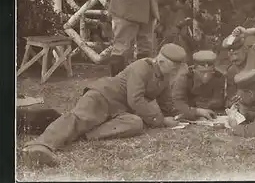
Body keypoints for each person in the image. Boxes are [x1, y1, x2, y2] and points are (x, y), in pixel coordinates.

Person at [21, 43, 186, 168]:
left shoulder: (164, 76)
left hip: (120, 111)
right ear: (161, 61)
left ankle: (83, 134)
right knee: (79, 118)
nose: (175, 72)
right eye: (173, 68)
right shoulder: (142, 67)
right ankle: (40, 146)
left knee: (136, 123)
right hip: (102, 96)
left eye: (177, 68)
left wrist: (191, 113)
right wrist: (161, 121)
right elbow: (135, 100)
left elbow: (167, 105)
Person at [172, 50, 226, 120]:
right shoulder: (185, 78)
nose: (206, 76)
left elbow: (218, 100)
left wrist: (206, 108)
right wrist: (197, 111)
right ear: (194, 69)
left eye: (210, 72)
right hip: (188, 113)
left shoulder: (218, 77)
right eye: (202, 72)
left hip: (210, 113)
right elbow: (176, 103)